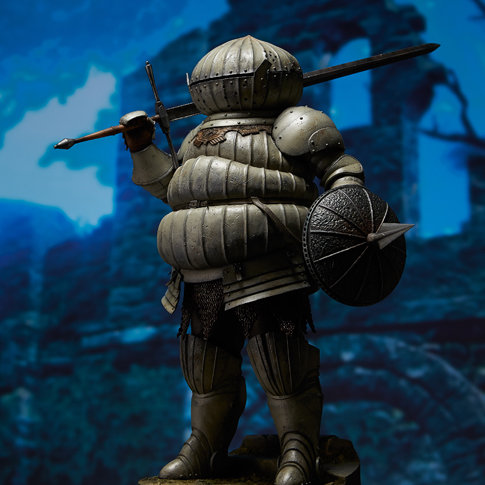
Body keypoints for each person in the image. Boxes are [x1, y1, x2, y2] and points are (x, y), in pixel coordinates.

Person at [121, 36, 365, 485]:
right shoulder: (197, 135)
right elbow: (174, 189)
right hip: (199, 267)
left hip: (269, 264)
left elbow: (341, 173)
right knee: (205, 362)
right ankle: (204, 447)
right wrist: (141, 147)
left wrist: (349, 213)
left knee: (280, 359)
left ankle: (298, 450)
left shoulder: (295, 124)